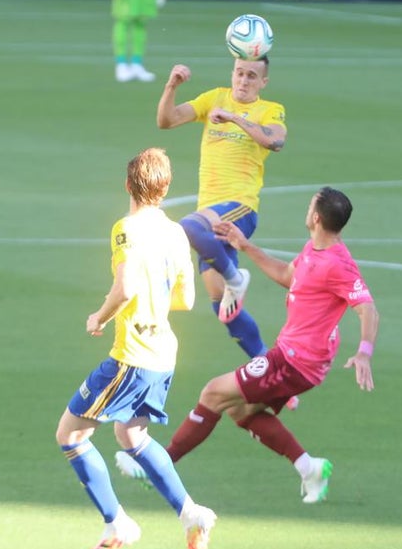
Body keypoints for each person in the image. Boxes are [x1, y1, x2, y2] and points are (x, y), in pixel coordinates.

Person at [119, 187, 378, 504]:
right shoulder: (314, 250)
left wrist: (364, 352)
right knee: (239, 410)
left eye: (310, 205)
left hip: (297, 362)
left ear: (316, 217)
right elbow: (287, 275)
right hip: (290, 356)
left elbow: (367, 307)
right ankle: (309, 467)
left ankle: (156, 467)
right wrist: (245, 246)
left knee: (213, 393)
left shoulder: (338, 264)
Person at [54, 147, 217, 549]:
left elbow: (124, 289)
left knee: (70, 435)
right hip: (164, 352)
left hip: (133, 354)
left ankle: (117, 522)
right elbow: (186, 297)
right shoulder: (177, 232)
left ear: (129, 185)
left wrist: (100, 317)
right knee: (131, 436)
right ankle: (191, 512)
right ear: (165, 189)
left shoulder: (126, 228)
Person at [155, 58, 286, 365]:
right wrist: (172, 85)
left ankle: (236, 278)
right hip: (210, 212)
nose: (243, 80)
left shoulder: (270, 109)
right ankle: (267, 367)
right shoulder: (214, 97)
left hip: (239, 207)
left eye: (252, 76)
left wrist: (233, 117)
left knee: (188, 226)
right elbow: (167, 120)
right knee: (223, 308)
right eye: (239, 73)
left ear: (263, 82)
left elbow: (275, 140)